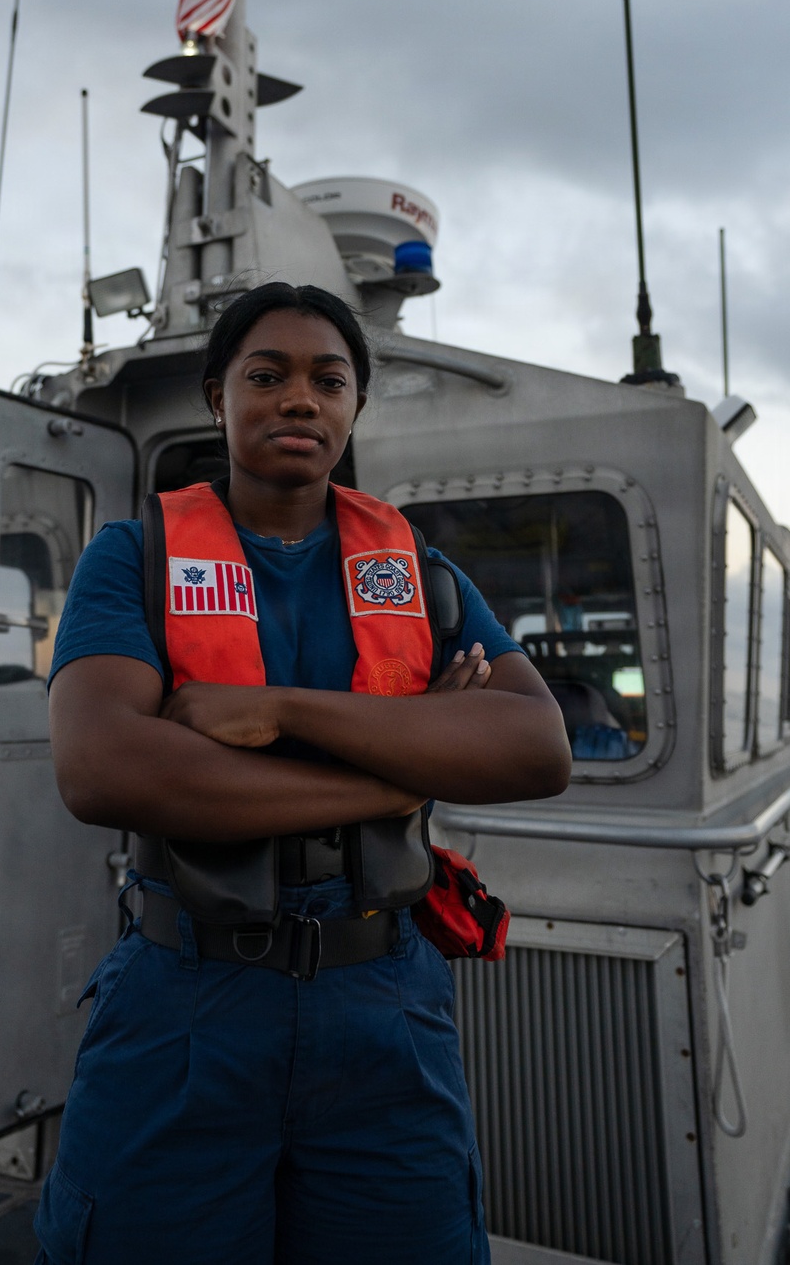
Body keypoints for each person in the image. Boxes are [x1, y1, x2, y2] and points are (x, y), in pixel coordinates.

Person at [35, 282, 571, 1265]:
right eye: (267, 375)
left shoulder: (420, 572)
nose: (299, 399)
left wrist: (282, 711)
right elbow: (103, 766)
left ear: (354, 407)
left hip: (383, 1008)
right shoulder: (133, 558)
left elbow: (536, 747)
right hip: (185, 1001)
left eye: (328, 380)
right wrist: (405, 761)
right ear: (216, 396)